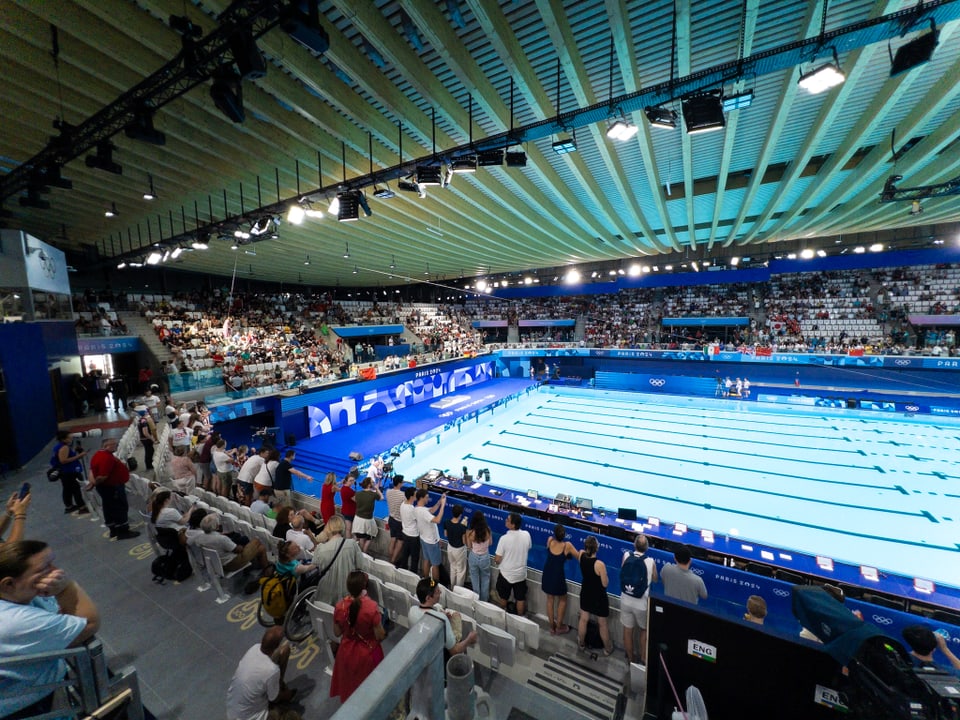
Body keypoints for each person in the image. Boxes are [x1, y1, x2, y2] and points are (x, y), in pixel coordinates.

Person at [0, 540, 101, 719]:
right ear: (8, 584)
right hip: (29, 706)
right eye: (44, 568)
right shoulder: (17, 621)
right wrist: (66, 588)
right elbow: (90, 623)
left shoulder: (14, 597)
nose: (56, 571)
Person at [330, 570, 386, 703]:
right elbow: (380, 635)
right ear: (364, 587)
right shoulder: (371, 607)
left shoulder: (340, 606)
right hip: (368, 652)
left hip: (346, 651)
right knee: (372, 689)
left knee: (350, 688)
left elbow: (337, 633)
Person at [225, 626, 300, 720]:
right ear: (276, 645)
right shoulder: (271, 670)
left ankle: (276, 686)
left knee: (284, 650)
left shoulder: (254, 648)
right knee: (291, 716)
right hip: (250, 717)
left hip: (233, 710)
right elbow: (274, 698)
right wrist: (287, 695)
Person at [192, 513, 267, 592]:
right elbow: (238, 549)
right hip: (233, 562)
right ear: (216, 526)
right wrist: (240, 545)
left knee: (260, 548)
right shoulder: (221, 539)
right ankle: (267, 570)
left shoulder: (199, 538)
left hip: (217, 564)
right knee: (257, 542)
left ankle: (261, 567)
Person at [409, 576, 478, 658]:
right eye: (437, 591)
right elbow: (454, 651)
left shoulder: (412, 610)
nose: (441, 592)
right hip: (439, 656)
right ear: (428, 598)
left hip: (422, 650)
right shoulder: (441, 619)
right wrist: (469, 639)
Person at [88, 437, 139, 539]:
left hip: (107, 487)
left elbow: (92, 470)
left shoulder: (98, 454)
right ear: (107, 446)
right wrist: (94, 483)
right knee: (119, 507)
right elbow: (102, 476)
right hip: (112, 487)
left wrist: (93, 483)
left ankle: (113, 530)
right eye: (114, 444)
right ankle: (123, 531)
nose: (116, 446)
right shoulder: (106, 458)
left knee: (109, 507)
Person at [620, 534, 657, 664]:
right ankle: (643, 659)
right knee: (644, 630)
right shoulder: (650, 561)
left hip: (625, 599)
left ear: (634, 545)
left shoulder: (626, 556)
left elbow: (623, 571)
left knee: (627, 630)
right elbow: (655, 578)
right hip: (641, 603)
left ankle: (630, 659)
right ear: (647, 547)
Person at [311, 515, 363, 606]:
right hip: (346, 594)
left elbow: (315, 566)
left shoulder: (320, 549)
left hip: (324, 594)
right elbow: (360, 566)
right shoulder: (352, 544)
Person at [577, 535, 613, 656]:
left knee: (583, 619)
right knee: (602, 623)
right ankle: (608, 648)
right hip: (598, 597)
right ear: (596, 549)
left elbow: (581, 553)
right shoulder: (599, 565)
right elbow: (605, 583)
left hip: (586, 592)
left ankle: (581, 644)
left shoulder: (581, 555)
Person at [542, 523, 579, 635]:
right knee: (563, 599)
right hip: (558, 576)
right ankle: (559, 626)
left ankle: (552, 627)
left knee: (550, 599)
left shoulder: (550, 540)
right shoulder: (567, 546)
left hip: (547, 573)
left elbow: (548, 550)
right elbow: (578, 556)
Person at [494, 512, 531, 616]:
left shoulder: (504, 539)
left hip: (506, 574)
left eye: (508, 520)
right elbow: (528, 547)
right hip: (520, 575)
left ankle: (502, 615)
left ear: (513, 525)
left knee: (503, 597)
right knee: (520, 598)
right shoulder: (526, 535)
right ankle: (520, 619)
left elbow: (497, 559)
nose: (505, 521)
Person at [52, 430, 88, 514]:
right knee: (76, 489)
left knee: (67, 489)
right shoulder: (64, 447)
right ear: (64, 439)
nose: (71, 438)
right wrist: (79, 455)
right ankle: (82, 507)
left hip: (65, 472)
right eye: (69, 437)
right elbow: (63, 460)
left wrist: (74, 452)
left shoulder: (59, 446)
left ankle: (69, 506)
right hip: (69, 471)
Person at [415, 489, 446, 581]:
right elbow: (437, 520)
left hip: (424, 538)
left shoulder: (417, 508)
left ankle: (426, 579)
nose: (428, 499)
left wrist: (439, 502)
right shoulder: (423, 512)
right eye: (426, 497)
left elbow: (431, 510)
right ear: (421, 498)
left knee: (426, 560)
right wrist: (443, 505)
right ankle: (434, 585)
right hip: (431, 542)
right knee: (435, 565)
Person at [465, 510, 492, 601]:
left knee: (474, 578)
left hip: (474, 556)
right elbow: (490, 543)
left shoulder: (470, 532)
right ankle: (484, 601)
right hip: (485, 557)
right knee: (485, 578)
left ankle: (476, 600)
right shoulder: (487, 530)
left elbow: (469, 546)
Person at [352, 477, 382, 553]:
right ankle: (364, 553)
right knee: (370, 536)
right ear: (369, 485)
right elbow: (381, 497)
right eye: (372, 482)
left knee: (361, 537)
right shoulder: (373, 494)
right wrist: (377, 489)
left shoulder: (358, 494)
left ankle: (361, 553)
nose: (373, 483)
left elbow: (354, 499)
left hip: (358, 519)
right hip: (368, 520)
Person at [395, 487, 420, 574]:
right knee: (414, 557)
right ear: (412, 496)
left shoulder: (403, 504)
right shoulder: (412, 509)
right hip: (413, 535)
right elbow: (417, 520)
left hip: (405, 533)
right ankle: (413, 574)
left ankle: (403, 570)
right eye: (415, 494)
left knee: (405, 554)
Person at [443, 504, 468, 588]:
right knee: (460, 571)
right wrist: (464, 527)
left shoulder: (446, 522)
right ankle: (458, 591)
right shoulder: (462, 527)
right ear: (460, 515)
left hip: (450, 547)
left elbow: (445, 534)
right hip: (459, 550)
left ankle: (452, 586)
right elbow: (464, 541)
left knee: (453, 568)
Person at [385, 475, 406, 563]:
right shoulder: (403, 495)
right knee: (400, 542)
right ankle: (393, 561)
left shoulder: (388, 492)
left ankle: (390, 559)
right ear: (399, 483)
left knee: (393, 539)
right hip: (399, 521)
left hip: (391, 519)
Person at [136, 405, 158, 470]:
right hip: (146, 439)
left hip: (144, 439)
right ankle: (149, 465)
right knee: (149, 451)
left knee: (150, 451)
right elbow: (145, 433)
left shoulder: (141, 420)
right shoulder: (144, 421)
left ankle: (150, 463)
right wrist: (152, 439)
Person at [339, 472, 358, 538]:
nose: (352, 482)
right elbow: (356, 500)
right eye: (350, 481)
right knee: (353, 529)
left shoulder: (343, 488)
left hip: (345, 510)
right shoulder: (349, 491)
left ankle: (348, 542)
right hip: (351, 511)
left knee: (347, 529)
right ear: (346, 481)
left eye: (353, 480)